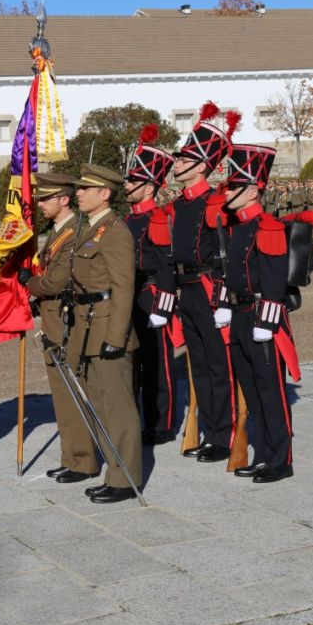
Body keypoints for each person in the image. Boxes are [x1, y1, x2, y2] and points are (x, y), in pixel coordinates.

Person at [215, 145, 300, 483]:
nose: (228, 192)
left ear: (252, 190)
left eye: (234, 187)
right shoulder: (237, 229)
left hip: (260, 318)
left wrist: (266, 323)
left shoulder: (267, 226)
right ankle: (263, 455)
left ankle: (281, 459)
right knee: (251, 390)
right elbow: (229, 273)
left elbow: (274, 281)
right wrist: (223, 305)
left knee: (270, 391)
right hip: (238, 316)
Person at [68, 163, 142, 504]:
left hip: (108, 329)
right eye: (78, 189)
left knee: (118, 408)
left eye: (85, 189)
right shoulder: (91, 229)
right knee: (98, 405)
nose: (78, 194)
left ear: (105, 193)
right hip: (88, 328)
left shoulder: (114, 232)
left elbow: (123, 288)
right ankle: (114, 469)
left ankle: (126, 479)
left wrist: (116, 337)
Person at [19, 172, 99, 483]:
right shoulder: (60, 230)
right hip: (53, 318)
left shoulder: (74, 232)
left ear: (63, 200)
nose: (39, 204)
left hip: (67, 322)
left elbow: (56, 280)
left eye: (45, 199)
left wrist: (30, 283)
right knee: (61, 394)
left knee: (71, 393)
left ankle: (83, 461)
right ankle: (72, 457)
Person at [170, 102, 238, 463]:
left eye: (183, 160)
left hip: (211, 292)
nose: (176, 164)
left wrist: (225, 300)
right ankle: (210, 432)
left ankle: (224, 436)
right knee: (198, 366)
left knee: (218, 365)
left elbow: (229, 256)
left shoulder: (217, 201)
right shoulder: (180, 204)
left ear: (201, 165)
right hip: (187, 291)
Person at [123, 125, 178, 446]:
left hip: (153, 295)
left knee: (158, 365)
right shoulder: (129, 219)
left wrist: (164, 305)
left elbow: (167, 266)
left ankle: (162, 423)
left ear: (149, 188)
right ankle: (143, 420)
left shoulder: (157, 218)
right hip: (132, 294)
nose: (128, 185)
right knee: (138, 363)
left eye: (134, 182)